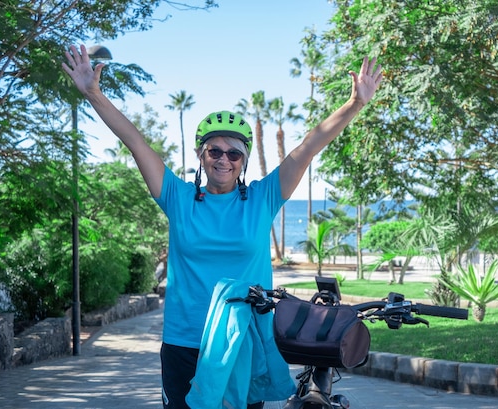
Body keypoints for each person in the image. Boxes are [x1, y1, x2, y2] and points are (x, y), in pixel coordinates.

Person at [62, 44, 383, 409]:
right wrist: (93, 93)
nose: (224, 160)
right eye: (215, 151)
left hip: (242, 341)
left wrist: (355, 104)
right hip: (185, 341)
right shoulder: (178, 198)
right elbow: (135, 141)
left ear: (244, 161)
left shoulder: (262, 200)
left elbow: (308, 147)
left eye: (234, 153)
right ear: (201, 155)